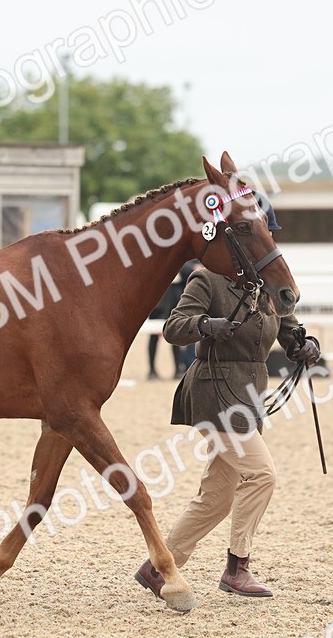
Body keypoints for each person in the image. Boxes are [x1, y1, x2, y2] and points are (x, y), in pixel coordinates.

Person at [134, 204, 320, 599]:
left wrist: (306, 346)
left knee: (217, 496)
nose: (267, 241)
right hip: (213, 391)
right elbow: (173, 328)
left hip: (249, 394)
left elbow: (289, 332)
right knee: (263, 475)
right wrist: (207, 325)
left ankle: (158, 567)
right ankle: (238, 568)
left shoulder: (266, 283)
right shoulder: (208, 279)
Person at [147, 272, 184, 380]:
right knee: (154, 335)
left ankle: (178, 369)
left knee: (176, 334)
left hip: (174, 294)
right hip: (160, 295)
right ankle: (152, 370)